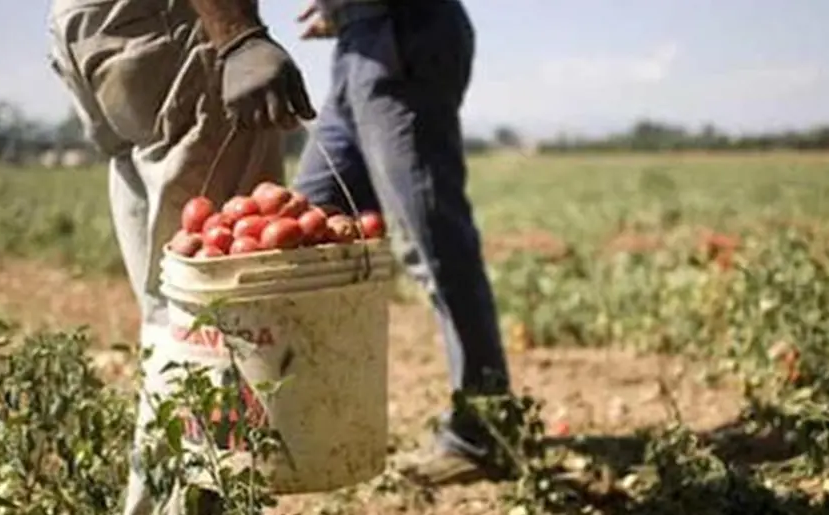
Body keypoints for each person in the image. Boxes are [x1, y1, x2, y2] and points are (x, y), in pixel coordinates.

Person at [46, 0, 316, 512]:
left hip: (94, 25)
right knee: (223, 320)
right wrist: (237, 34)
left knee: (176, 316)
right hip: (171, 24)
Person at [291, 0, 513, 487]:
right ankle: (310, 418)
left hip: (403, 36)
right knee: (304, 225)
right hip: (358, 42)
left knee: (433, 242)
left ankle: (484, 434)